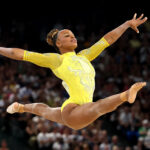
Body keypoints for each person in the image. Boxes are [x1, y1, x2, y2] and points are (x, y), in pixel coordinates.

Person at [0, 13, 147, 130]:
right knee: (97, 107)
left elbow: (107, 39)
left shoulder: (84, 56)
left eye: (73, 35)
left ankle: (21, 107)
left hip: (79, 110)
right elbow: (20, 54)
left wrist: (127, 24)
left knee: (45, 111)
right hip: (73, 110)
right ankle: (125, 95)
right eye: (67, 36)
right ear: (59, 43)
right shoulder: (57, 60)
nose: (73, 37)